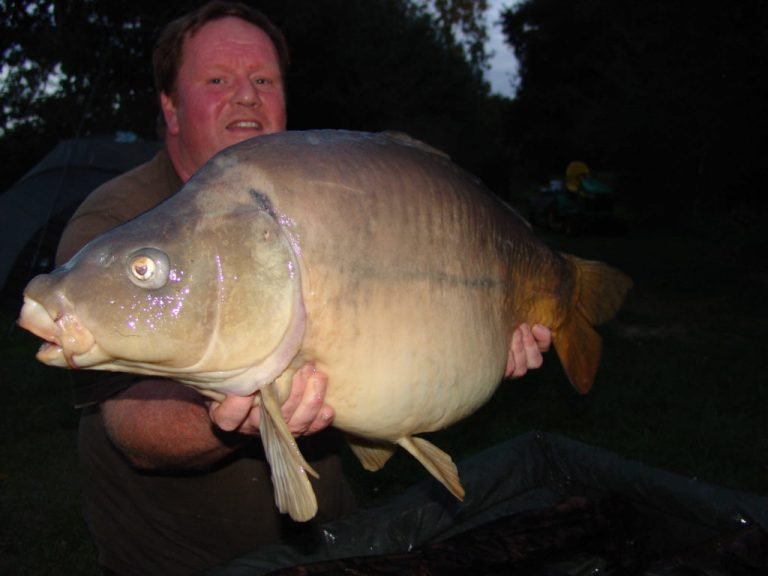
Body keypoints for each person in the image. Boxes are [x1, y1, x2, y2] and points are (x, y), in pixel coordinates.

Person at [55, 2, 551, 574]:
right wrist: (227, 412)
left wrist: (487, 340)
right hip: (178, 559)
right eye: (218, 80)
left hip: (333, 536)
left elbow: (420, 312)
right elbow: (133, 425)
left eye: (263, 80)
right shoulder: (115, 223)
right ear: (169, 104)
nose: (246, 95)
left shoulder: (329, 188)